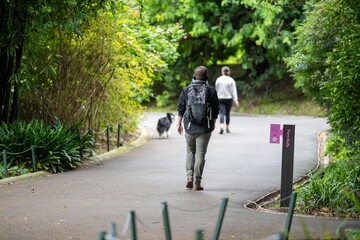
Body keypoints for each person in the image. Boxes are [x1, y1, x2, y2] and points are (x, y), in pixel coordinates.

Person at [177, 66, 219, 191]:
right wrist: (213, 123)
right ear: (207, 78)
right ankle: (197, 183)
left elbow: (181, 108)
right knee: (201, 154)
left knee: (190, 151)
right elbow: (216, 110)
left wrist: (178, 124)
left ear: (194, 77)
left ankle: (189, 177)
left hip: (190, 126)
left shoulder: (186, 90)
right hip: (205, 127)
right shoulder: (211, 91)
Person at [215, 66, 239, 134]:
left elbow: (216, 90)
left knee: (221, 113)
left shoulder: (218, 80)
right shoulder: (231, 80)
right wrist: (236, 100)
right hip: (228, 99)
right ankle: (227, 128)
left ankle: (221, 127)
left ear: (222, 72)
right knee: (227, 113)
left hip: (220, 98)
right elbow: (233, 91)